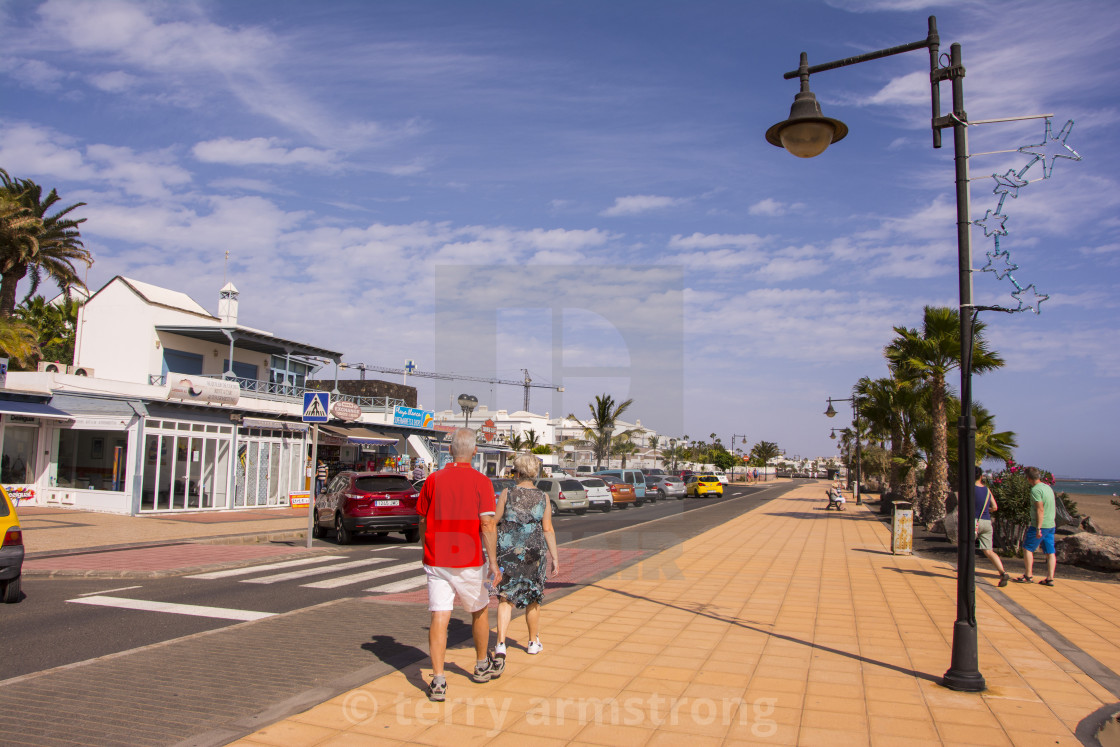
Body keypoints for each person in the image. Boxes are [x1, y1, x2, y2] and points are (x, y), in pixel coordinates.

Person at [416, 428, 502, 702]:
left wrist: (424, 547)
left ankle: (439, 680)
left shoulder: (433, 480)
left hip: (437, 558)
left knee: (439, 615)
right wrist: (494, 563)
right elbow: (487, 524)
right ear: (475, 452)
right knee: (478, 610)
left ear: (450, 450)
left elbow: (421, 520)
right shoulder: (482, 482)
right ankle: (480, 665)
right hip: (469, 559)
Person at [492, 453, 560, 672]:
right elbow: (547, 528)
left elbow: (495, 521)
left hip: (508, 550)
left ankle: (500, 644)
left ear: (517, 472)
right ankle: (532, 642)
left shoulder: (507, 493)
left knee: (505, 598)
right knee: (533, 597)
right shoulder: (543, 497)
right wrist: (555, 557)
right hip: (534, 551)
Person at [1016, 466, 1057, 586]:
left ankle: (1028, 575)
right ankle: (1050, 578)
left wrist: (1038, 528)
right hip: (1050, 524)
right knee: (1050, 552)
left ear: (1028, 478)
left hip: (1040, 524)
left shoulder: (1036, 490)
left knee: (1028, 548)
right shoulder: (1047, 488)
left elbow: (1040, 509)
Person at [974, 467, 1009, 587]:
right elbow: (995, 507)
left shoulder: (970, 489)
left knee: (966, 547)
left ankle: (965, 572)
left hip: (974, 522)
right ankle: (1002, 572)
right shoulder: (987, 490)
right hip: (986, 521)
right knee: (989, 551)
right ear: (981, 477)